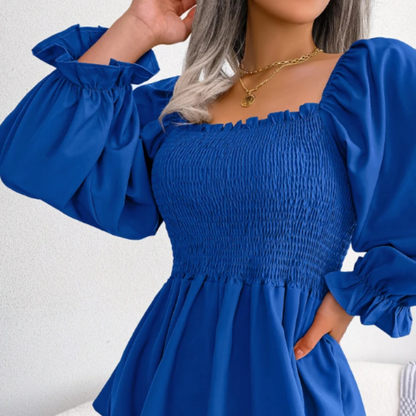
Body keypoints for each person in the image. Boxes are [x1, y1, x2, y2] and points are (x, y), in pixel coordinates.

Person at [1, 0, 416, 414]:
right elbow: (31, 159)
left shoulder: (371, 80)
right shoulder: (181, 109)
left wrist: (358, 296)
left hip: (284, 375)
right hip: (170, 377)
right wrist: (137, 27)